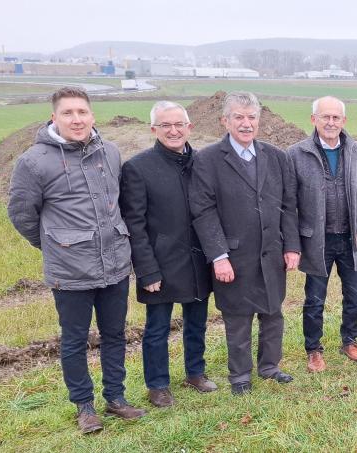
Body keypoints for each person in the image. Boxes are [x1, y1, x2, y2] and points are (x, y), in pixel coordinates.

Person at [8, 87, 145, 433]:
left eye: (82, 112)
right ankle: (85, 407)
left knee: (115, 334)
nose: (77, 119)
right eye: (68, 113)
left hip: (115, 263)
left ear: (92, 115)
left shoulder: (110, 153)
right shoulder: (34, 161)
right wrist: (57, 245)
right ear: (54, 117)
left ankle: (116, 398)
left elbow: (120, 202)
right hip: (70, 270)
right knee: (74, 339)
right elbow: (22, 214)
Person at [189, 91, 300, 395]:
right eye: (239, 117)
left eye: (252, 117)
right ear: (225, 120)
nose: (246, 123)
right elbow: (203, 211)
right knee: (237, 318)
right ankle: (240, 376)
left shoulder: (277, 157)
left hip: (271, 253)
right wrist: (219, 255)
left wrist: (292, 246)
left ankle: (269, 366)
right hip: (234, 256)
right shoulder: (208, 159)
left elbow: (289, 205)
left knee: (272, 312)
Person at [119, 101, 216, 408]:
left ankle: (195, 372)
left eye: (179, 125)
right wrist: (147, 270)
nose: (173, 131)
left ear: (189, 127)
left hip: (199, 258)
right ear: (154, 130)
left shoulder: (201, 162)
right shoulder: (137, 168)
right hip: (161, 262)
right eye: (165, 125)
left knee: (197, 320)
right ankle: (158, 384)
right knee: (158, 327)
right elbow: (135, 224)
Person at [287, 96, 357, 372]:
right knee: (314, 299)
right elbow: (289, 202)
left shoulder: (356, 151)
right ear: (313, 119)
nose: (330, 122)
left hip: (351, 240)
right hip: (317, 241)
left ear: (344, 121)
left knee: (354, 296)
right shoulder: (296, 154)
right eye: (325, 117)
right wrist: (295, 242)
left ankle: (349, 340)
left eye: (336, 117)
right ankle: (313, 349)